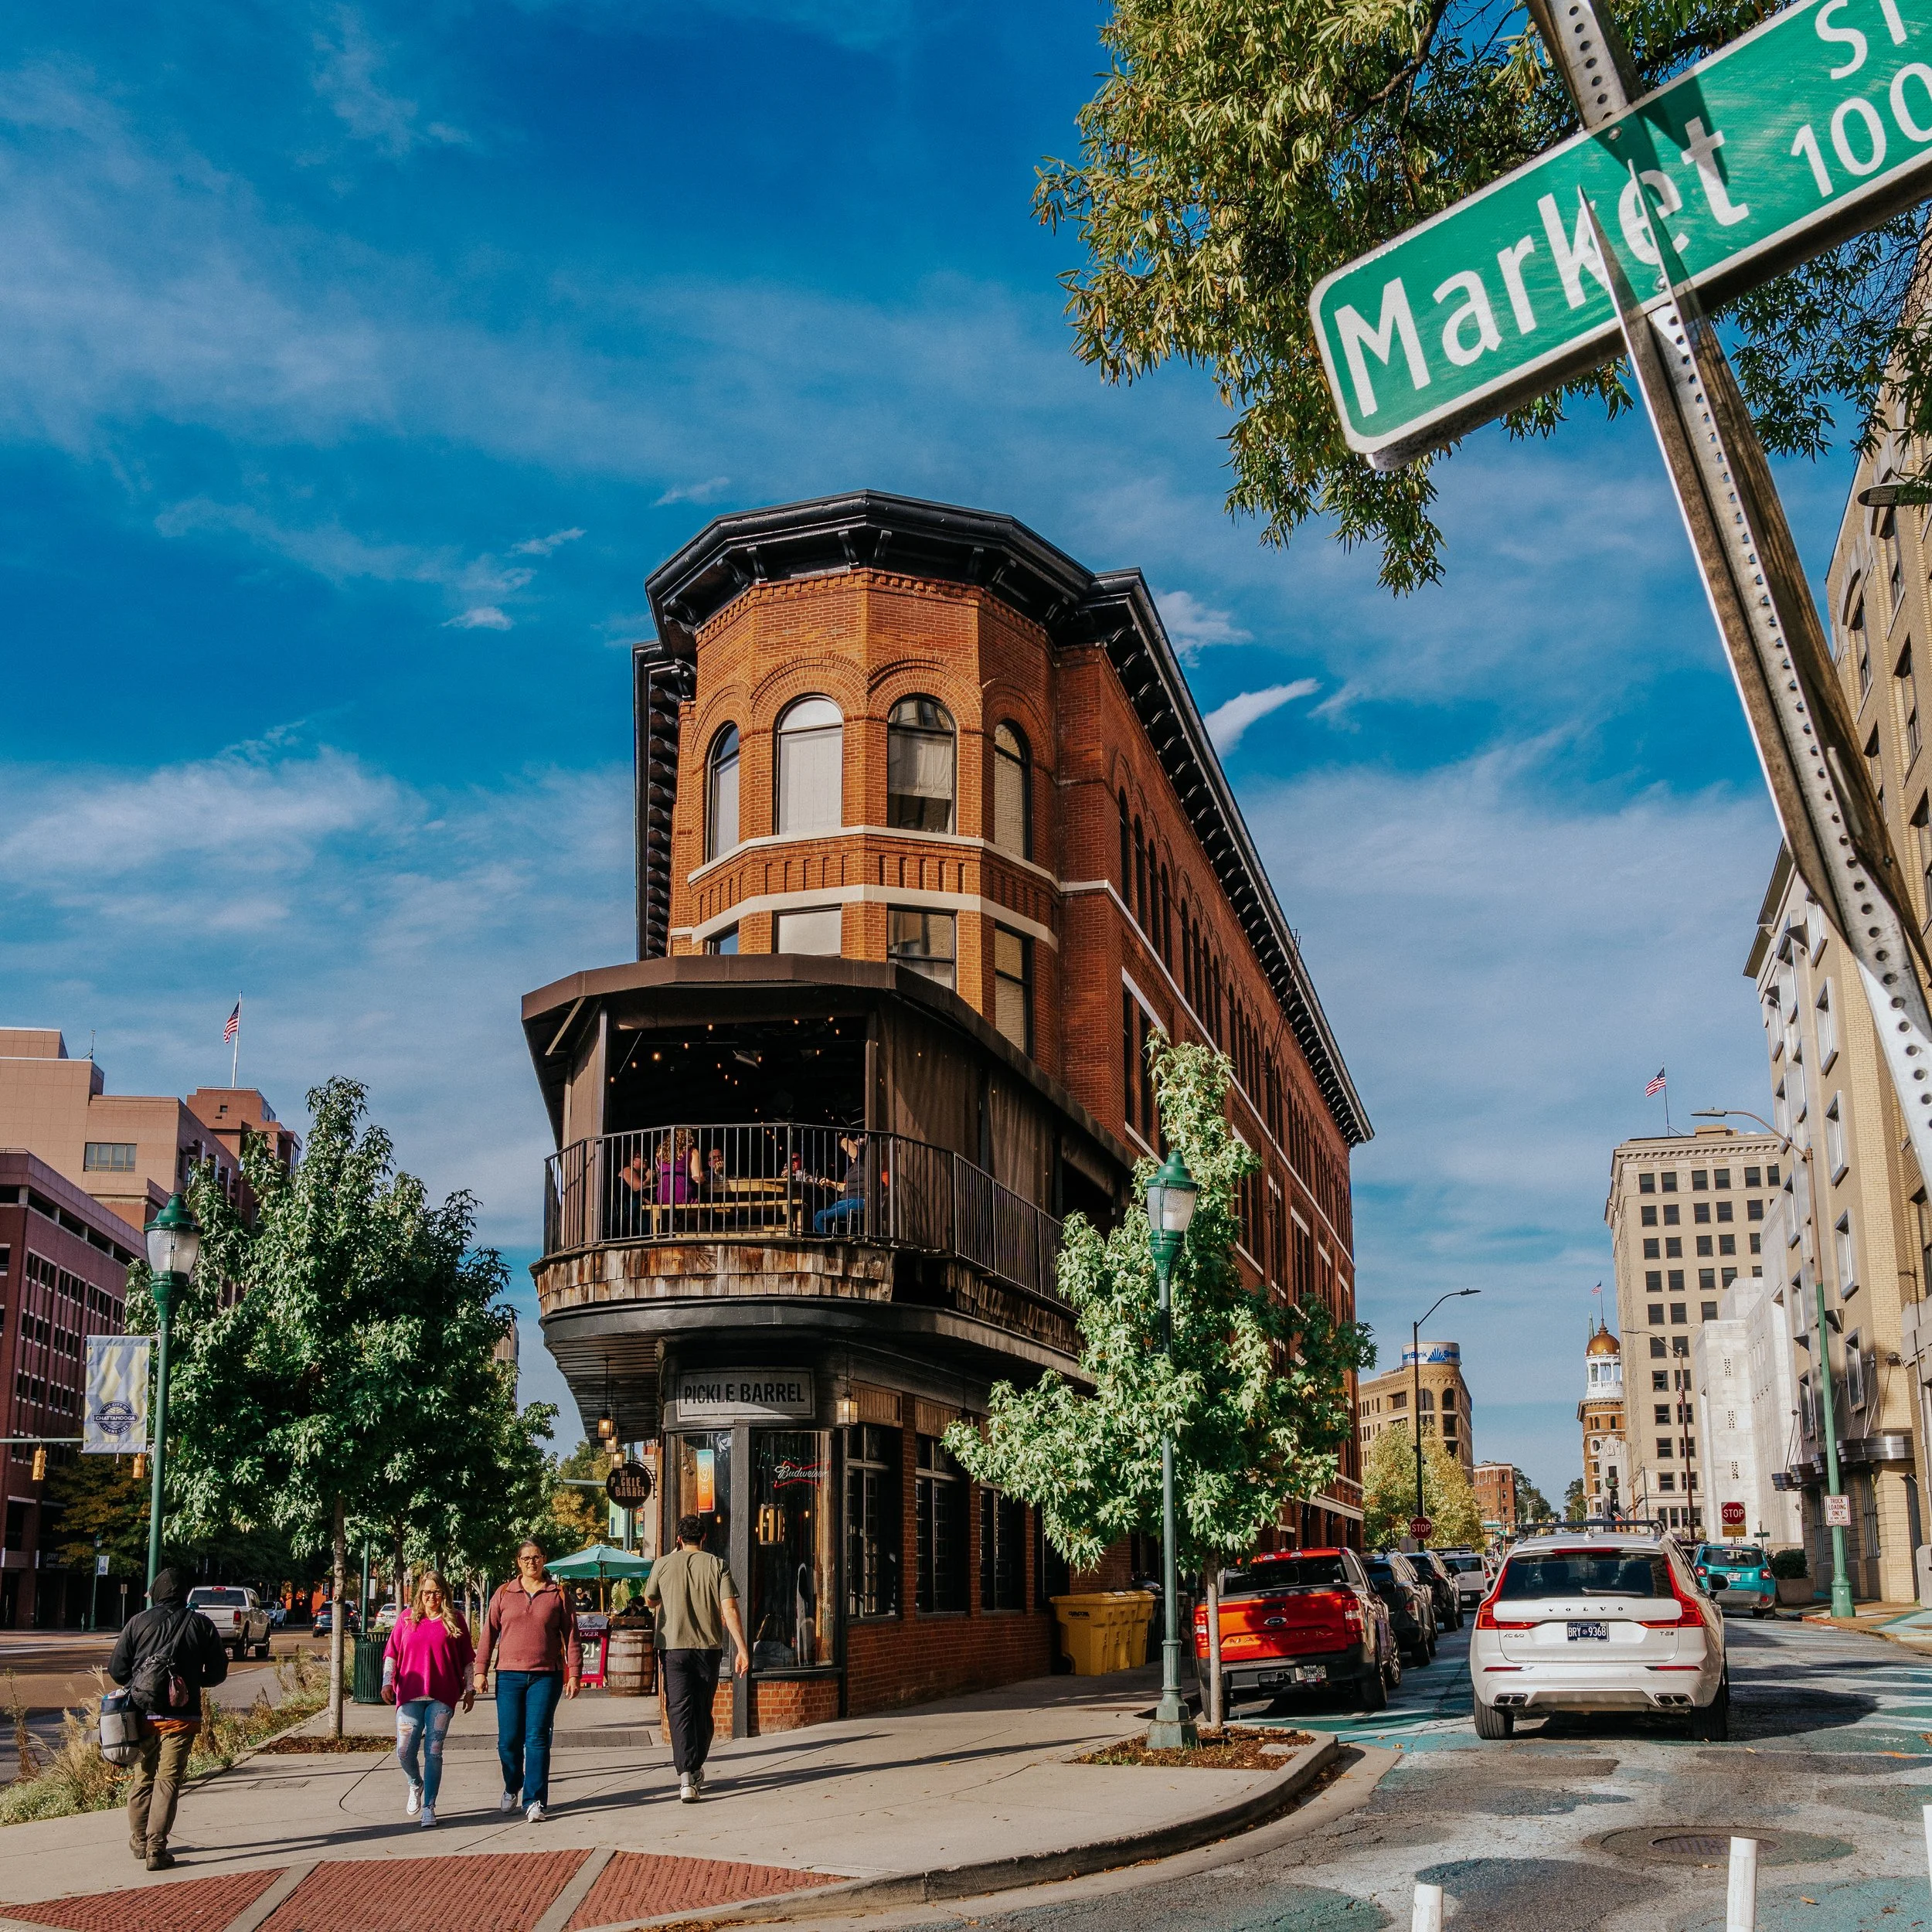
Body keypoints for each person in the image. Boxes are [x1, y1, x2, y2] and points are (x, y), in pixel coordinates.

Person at [107, 1567, 230, 1870]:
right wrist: (189, 1680)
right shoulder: (201, 1624)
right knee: (168, 1780)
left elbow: (117, 1670)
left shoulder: (138, 1622)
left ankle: (138, 1840)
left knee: (143, 1777)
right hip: (181, 1717)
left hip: (142, 1713)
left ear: (157, 1592)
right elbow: (217, 1672)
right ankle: (156, 1848)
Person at [645, 1514, 750, 1802]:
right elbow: (730, 1610)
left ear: (679, 1539)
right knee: (703, 1709)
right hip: (708, 1648)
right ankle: (695, 1765)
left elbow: (650, 1600)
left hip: (673, 1648)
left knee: (679, 1710)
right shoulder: (717, 1565)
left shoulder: (663, 1564)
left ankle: (686, 1777)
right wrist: (742, 1649)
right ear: (704, 1538)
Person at [474, 1541, 580, 1822]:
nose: (531, 1562)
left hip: (546, 1676)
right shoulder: (504, 1593)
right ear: (518, 1562)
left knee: (537, 1739)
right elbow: (489, 1634)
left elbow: (571, 1636)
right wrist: (480, 1670)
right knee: (508, 1741)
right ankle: (513, 1785)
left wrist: (575, 1673)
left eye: (536, 1557)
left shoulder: (558, 1594)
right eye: (526, 1558)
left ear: (544, 1560)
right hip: (508, 1675)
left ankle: (534, 1800)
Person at [382, 1570, 474, 1828]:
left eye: (436, 1592)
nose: (431, 1597)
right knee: (404, 1749)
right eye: (426, 1592)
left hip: (442, 1694)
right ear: (419, 1594)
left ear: (444, 1594)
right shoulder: (406, 1619)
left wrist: (469, 1688)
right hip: (410, 1692)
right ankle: (415, 1782)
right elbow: (392, 1653)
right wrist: (387, 1682)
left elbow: (468, 1657)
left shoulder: (454, 1620)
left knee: (434, 1750)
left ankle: (430, 1806)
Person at [813, 1133, 867, 1234]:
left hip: (857, 1200)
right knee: (824, 1212)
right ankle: (836, 1239)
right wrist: (831, 1183)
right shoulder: (854, 1167)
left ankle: (832, 1246)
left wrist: (843, 1141)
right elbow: (847, 1187)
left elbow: (847, 1144)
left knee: (820, 1217)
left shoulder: (863, 1162)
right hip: (848, 1200)